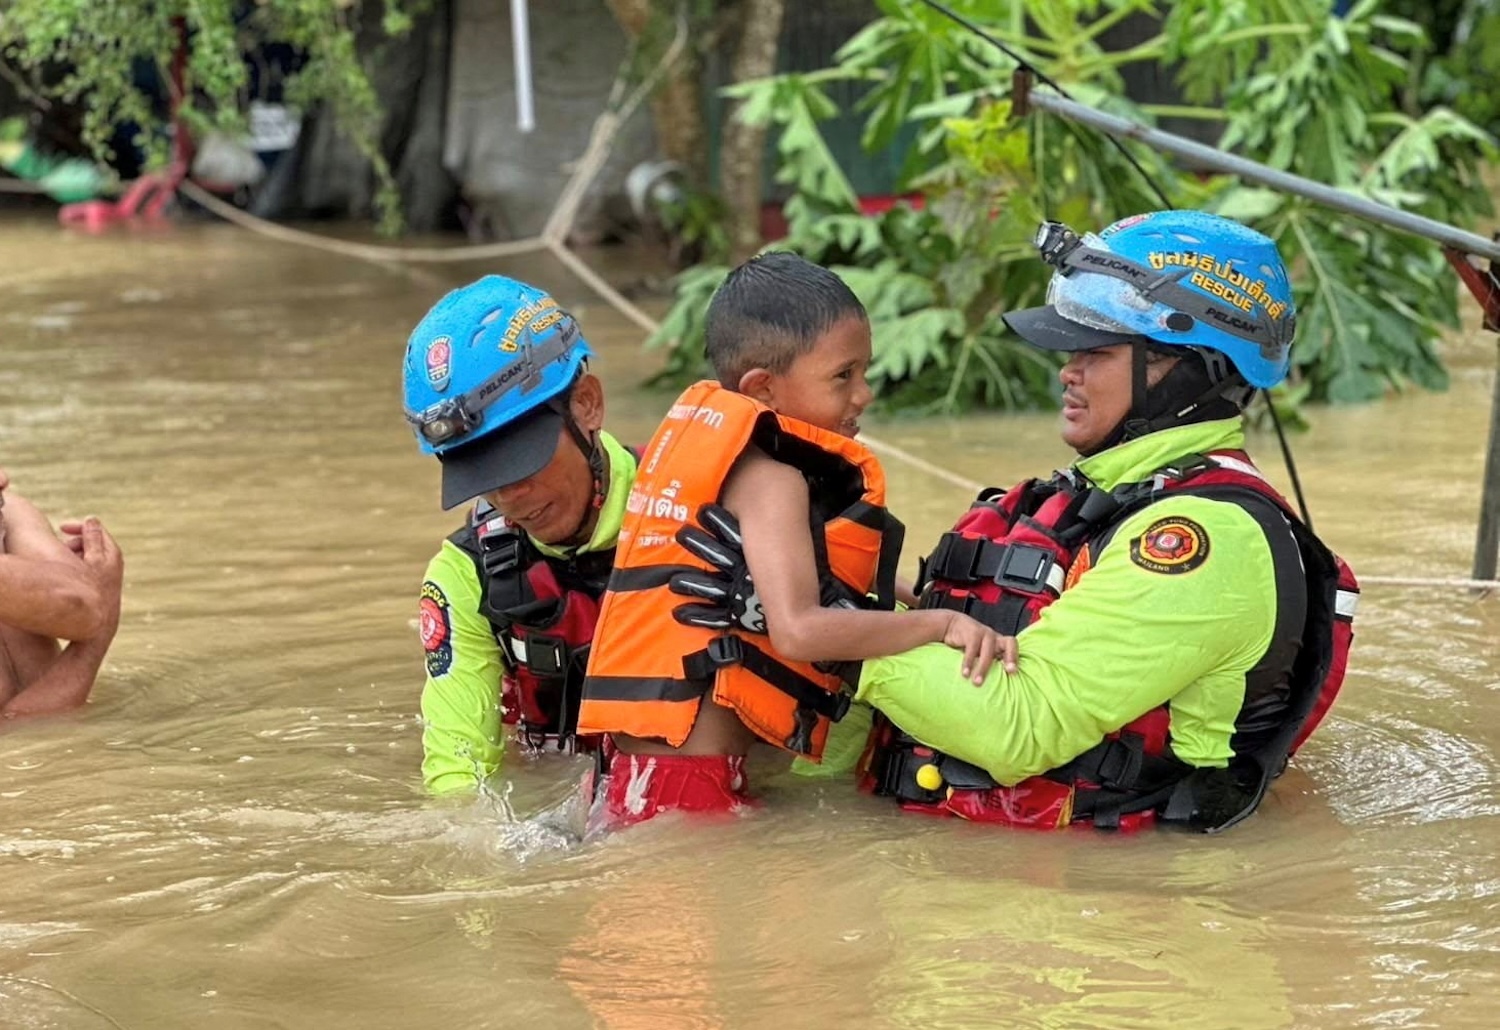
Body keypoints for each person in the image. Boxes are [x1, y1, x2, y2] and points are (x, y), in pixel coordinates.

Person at [845, 210, 1361, 832]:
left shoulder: (1207, 540)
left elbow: (1019, 727)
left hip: (1113, 906)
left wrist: (818, 626)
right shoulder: (1110, 497)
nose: (1068, 370)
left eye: (1097, 351)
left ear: (1186, 365)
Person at [577, 251, 1012, 828]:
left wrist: (906, 595)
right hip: (690, 787)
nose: (864, 395)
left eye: (863, 372)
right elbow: (800, 630)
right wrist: (943, 625)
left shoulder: (723, 466)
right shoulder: (773, 481)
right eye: (843, 376)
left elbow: (771, 581)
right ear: (765, 389)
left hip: (627, 775)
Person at [402, 275, 638, 794]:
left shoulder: (697, 514)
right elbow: (457, 769)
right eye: (483, 475)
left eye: (521, 461)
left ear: (587, 405)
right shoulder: (467, 574)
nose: (508, 496)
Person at [0, 469, 124, 717]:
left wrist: (101, 601)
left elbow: (84, 607)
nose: (3, 478)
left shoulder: (10, 513)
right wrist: (96, 642)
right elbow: (22, 727)